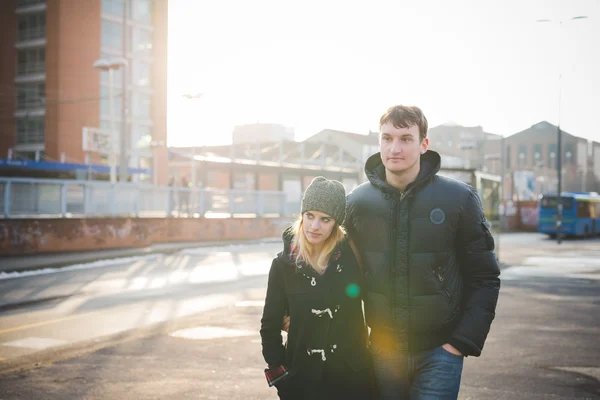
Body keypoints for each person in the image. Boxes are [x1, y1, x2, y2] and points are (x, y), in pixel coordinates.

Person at [345, 105, 501, 399]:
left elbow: (485, 276)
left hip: (440, 353)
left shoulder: (459, 199)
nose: (395, 148)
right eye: (387, 138)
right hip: (382, 351)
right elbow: (324, 255)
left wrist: (461, 342)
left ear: (423, 144)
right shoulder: (357, 202)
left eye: (405, 138)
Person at [260, 176, 374, 400]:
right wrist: (280, 374)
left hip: (351, 380)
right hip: (301, 380)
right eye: (310, 216)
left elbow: (374, 305)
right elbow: (270, 325)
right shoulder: (283, 265)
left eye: (325, 219)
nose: (314, 226)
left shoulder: (352, 260)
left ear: (336, 222)